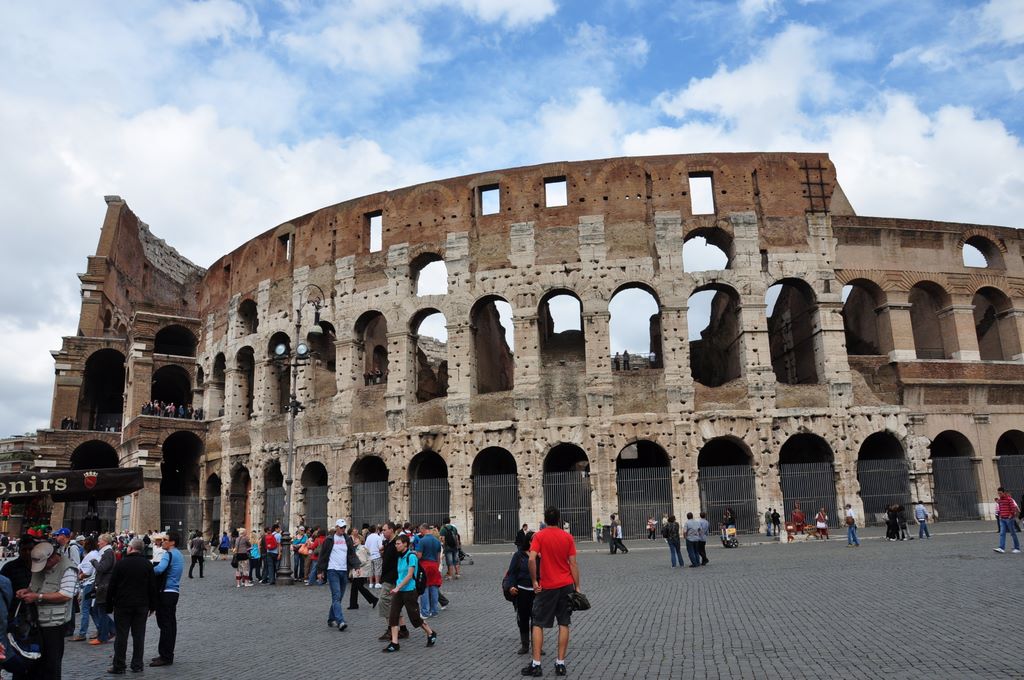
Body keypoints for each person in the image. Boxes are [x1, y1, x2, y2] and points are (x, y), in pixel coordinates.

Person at [521, 506, 579, 678]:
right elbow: (573, 564)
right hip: (566, 584)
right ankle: (560, 664)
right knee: (564, 623)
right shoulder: (567, 537)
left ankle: (536, 664)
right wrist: (577, 586)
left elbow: (531, 559)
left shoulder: (539, 536)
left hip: (547, 586)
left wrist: (534, 581)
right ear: (559, 520)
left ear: (545, 520)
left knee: (538, 623)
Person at [18, 541, 76, 680]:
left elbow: (66, 595)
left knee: (51, 663)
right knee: (35, 661)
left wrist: (37, 596)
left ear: (51, 558)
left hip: (54, 624)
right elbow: (35, 587)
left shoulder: (67, 568)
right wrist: (26, 592)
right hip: (36, 621)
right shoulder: (39, 569)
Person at [106, 537, 158, 674]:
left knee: (121, 636)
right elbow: (153, 587)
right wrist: (153, 606)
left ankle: (119, 665)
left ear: (130, 548)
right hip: (141, 605)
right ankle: (137, 665)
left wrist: (108, 605)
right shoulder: (147, 565)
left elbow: (112, 586)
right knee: (139, 636)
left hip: (122, 605)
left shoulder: (121, 564)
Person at [382, 534, 437, 653]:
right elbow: (399, 574)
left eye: (398, 543)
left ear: (405, 544)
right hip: (399, 591)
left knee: (415, 618)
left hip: (410, 591)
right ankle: (394, 643)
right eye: (396, 543)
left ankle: (430, 633)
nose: (396, 545)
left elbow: (409, 575)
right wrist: (397, 587)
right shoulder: (399, 557)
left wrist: (397, 587)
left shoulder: (411, 556)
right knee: (393, 616)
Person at [151, 529, 184, 667]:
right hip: (173, 592)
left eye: (165, 540)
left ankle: (165, 656)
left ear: (172, 542)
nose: (162, 542)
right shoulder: (179, 554)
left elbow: (159, 570)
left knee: (165, 625)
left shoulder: (168, 554)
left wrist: (146, 568)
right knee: (170, 625)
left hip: (166, 592)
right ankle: (166, 653)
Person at [317, 518, 354, 631]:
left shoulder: (347, 539)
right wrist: (320, 571)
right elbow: (323, 556)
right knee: (337, 595)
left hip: (343, 571)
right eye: (341, 527)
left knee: (339, 597)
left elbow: (351, 554)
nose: (343, 529)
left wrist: (355, 567)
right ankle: (340, 621)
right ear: (336, 527)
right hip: (332, 570)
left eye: (344, 527)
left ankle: (330, 619)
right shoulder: (329, 539)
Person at [504, 531, 535, 655]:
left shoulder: (539, 555)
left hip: (536, 592)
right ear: (529, 541)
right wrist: (511, 586)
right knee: (523, 618)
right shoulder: (518, 555)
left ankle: (536, 644)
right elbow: (512, 573)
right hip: (522, 591)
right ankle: (525, 645)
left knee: (537, 619)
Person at [91, 532, 116, 645]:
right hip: (103, 585)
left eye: (100, 541)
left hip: (104, 586)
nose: (98, 543)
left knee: (101, 611)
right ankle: (112, 630)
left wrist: (94, 561)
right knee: (97, 610)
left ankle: (103, 636)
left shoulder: (108, 553)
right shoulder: (107, 552)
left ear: (105, 541)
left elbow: (103, 568)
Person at [72, 535, 99, 642]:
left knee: (85, 609)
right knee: (91, 609)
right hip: (92, 583)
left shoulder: (91, 555)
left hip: (88, 584)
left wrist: (79, 577)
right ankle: (100, 628)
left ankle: (82, 633)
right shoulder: (95, 554)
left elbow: (87, 572)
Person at [415, 524, 442, 618]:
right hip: (434, 565)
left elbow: (419, 556)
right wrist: (437, 566)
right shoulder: (437, 541)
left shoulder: (422, 541)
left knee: (424, 588)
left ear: (423, 529)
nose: (420, 532)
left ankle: (425, 612)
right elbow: (438, 556)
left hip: (425, 566)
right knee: (434, 588)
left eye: (420, 530)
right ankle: (434, 611)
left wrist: (414, 553)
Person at [347, 530, 378, 610]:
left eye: (356, 539)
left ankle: (373, 599)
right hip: (359, 570)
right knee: (355, 587)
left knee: (359, 587)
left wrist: (354, 565)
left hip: (361, 571)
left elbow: (362, 560)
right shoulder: (356, 548)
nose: (354, 541)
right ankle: (353, 604)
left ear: (360, 540)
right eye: (354, 539)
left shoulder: (361, 549)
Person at [993, 487, 1021, 554]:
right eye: (998, 493)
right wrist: (1000, 515)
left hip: (1009, 519)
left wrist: (1011, 515)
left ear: (1003, 492)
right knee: (1002, 533)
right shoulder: (1000, 500)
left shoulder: (1009, 499)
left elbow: (1013, 508)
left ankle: (1017, 548)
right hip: (1002, 519)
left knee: (1013, 533)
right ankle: (1001, 548)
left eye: (1000, 493)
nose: (999, 494)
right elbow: (1000, 508)